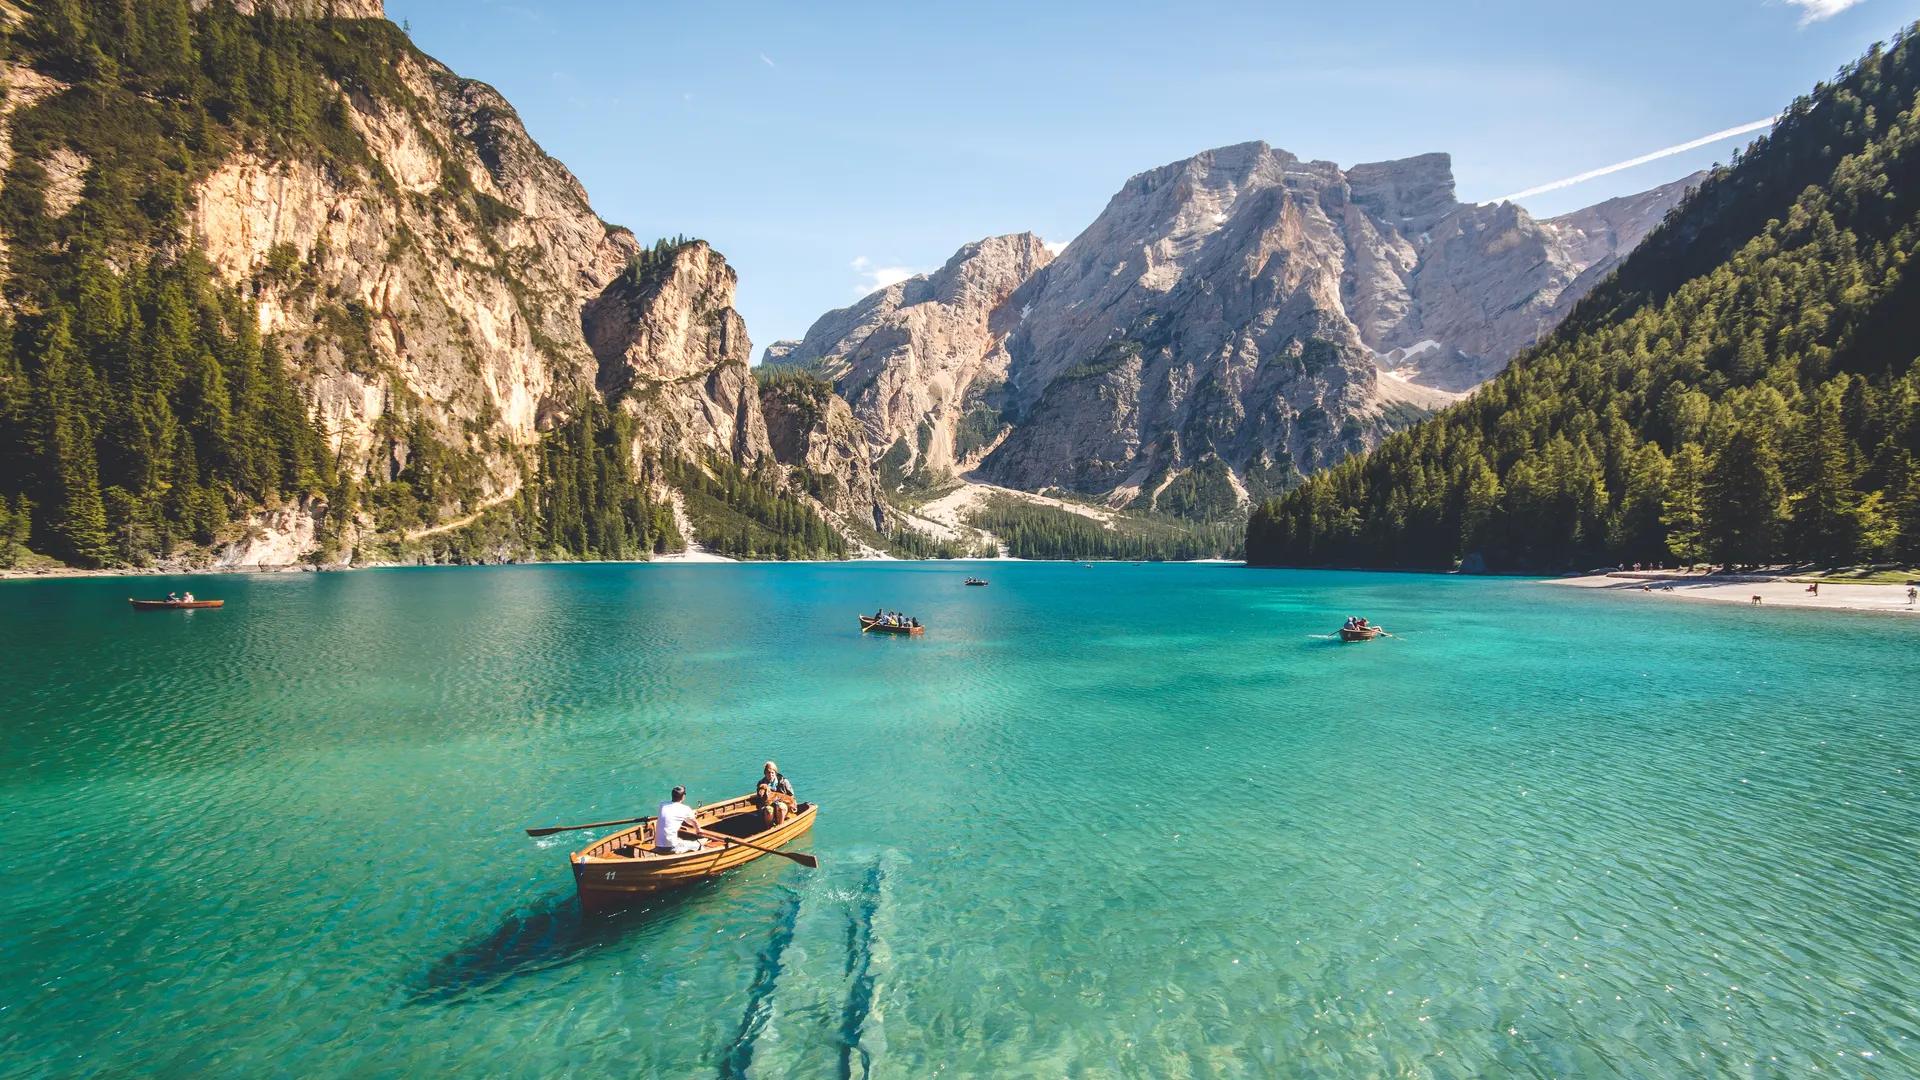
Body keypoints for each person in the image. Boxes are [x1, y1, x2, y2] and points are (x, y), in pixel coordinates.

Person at [654, 786, 716, 855]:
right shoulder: (685, 809)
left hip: (658, 845)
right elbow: (692, 822)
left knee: (680, 840)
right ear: (683, 797)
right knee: (698, 845)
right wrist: (698, 830)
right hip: (670, 847)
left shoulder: (662, 804)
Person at [753, 761, 797, 827]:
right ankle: (769, 828)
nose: (770, 775)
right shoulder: (761, 783)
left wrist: (792, 806)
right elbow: (759, 798)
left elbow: (791, 796)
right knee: (768, 810)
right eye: (768, 772)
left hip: (783, 805)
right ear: (765, 773)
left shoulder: (784, 781)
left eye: (772, 773)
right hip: (767, 805)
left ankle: (780, 826)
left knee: (781, 807)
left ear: (775, 773)